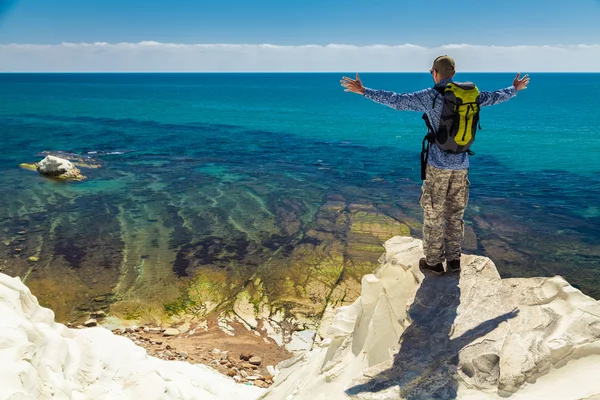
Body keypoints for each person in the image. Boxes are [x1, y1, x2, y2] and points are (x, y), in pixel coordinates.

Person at [341, 55, 530, 275]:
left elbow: (397, 101)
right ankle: (454, 260)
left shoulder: (431, 96)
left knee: (433, 213)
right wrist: (514, 88)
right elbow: (496, 96)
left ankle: (433, 262)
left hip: (437, 165)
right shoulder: (472, 94)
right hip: (462, 163)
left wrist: (364, 91)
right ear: (454, 73)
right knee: (455, 213)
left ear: (434, 73)